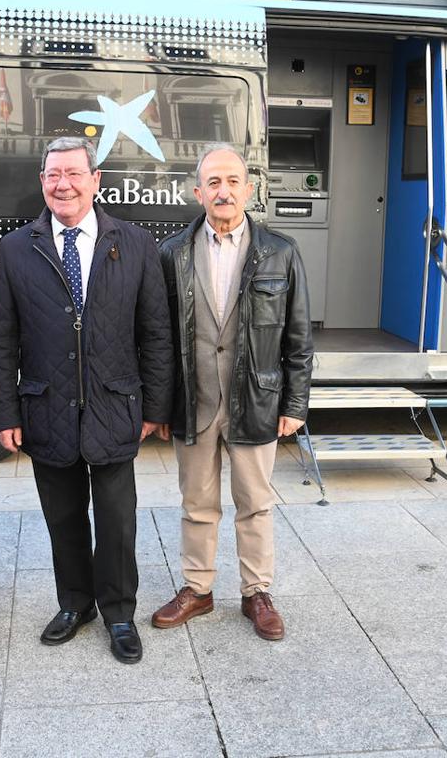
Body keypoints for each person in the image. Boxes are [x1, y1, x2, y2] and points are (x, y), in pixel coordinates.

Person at [0, 137, 172, 664]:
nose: (61, 184)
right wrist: (3, 411)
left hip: (115, 406)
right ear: (41, 182)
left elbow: (155, 333)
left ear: (96, 180)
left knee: (116, 522)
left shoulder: (135, 242)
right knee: (63, 518)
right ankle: (74, 604)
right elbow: (0, 337)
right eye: (51, 175)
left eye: (72, 173)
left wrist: (156, 408)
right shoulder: (18, 247)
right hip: (46, 406)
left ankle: (117, 613)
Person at [152, 143, 313, 641]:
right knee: (196, 503)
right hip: (192, 401)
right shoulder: (172, 253)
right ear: (198, 192)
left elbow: (299, 336)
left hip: (256, 399)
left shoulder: (280, 252)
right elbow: (157, 338)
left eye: (232, 181)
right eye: (213, 183)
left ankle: (256, 593)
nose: (223, 191)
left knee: (256, 503)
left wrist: (295, 403)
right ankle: (197, 590)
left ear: (248, 188)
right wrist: (160, 404)